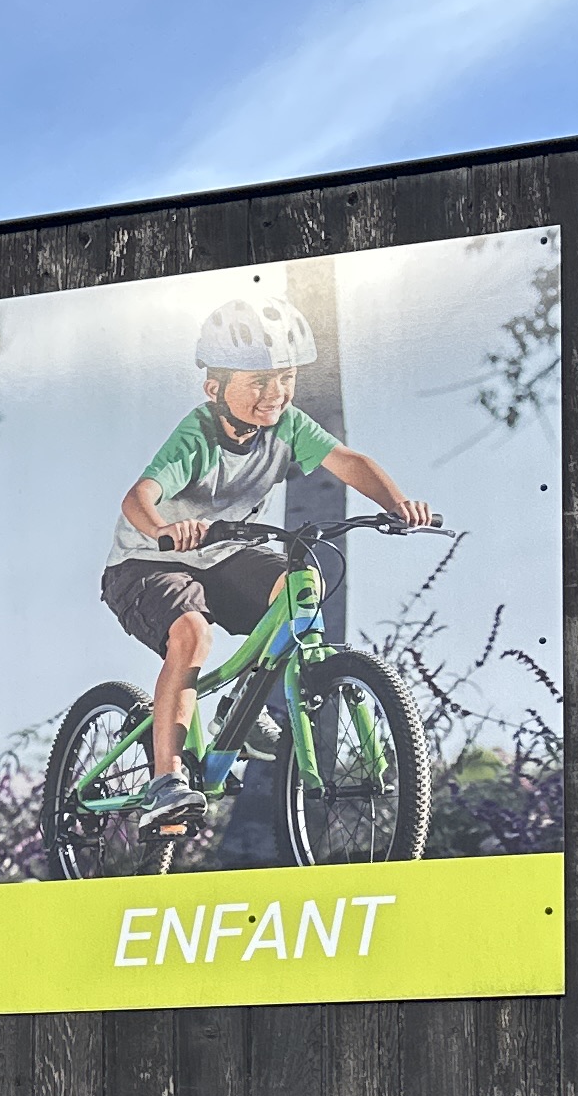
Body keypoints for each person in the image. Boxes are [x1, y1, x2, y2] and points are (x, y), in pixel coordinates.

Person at [97, 298, 436, 836]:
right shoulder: (197, 435)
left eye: (286, 377)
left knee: (299, 584)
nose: (275, 393)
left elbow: (348, 462)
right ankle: (166, 780)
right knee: (192, 635)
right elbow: (139, 495)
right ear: (214, 388)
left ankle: (244, 705)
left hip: (223, 553)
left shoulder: (288, 427)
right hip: (148, 561)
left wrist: (396, 505)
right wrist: (163, 528)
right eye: (258, 381)